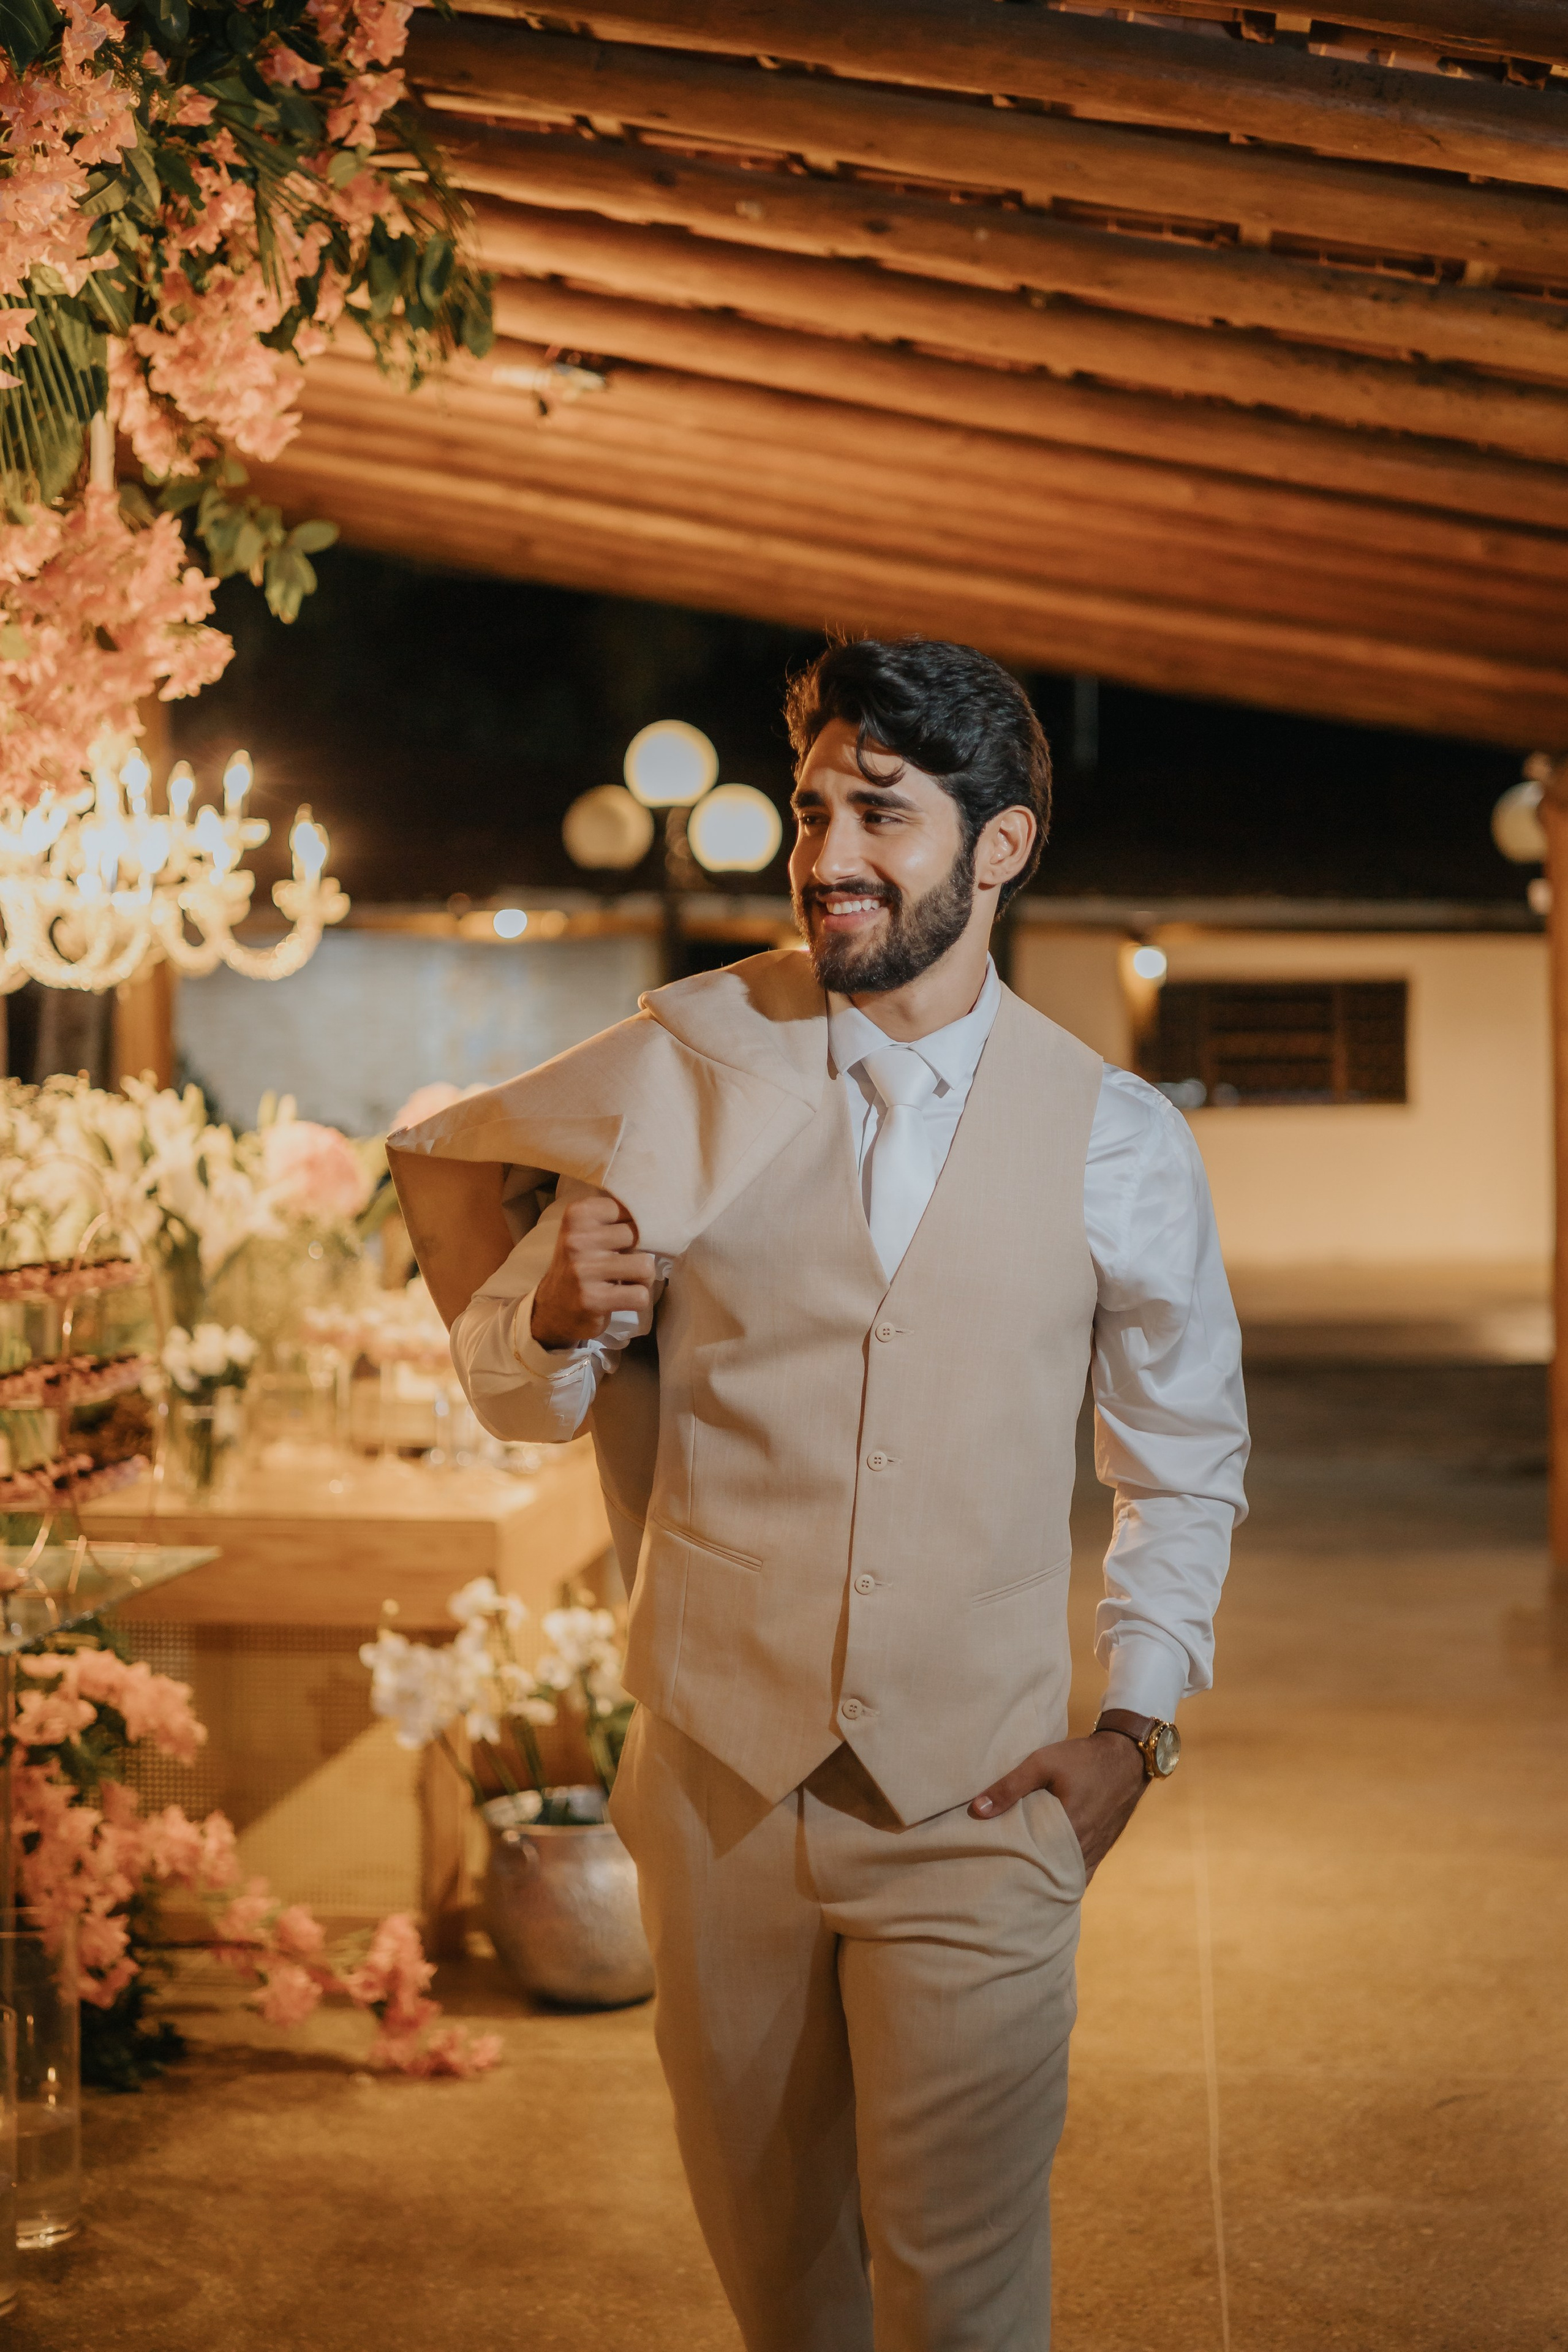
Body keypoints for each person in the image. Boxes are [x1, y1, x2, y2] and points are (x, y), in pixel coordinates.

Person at [388, 636, 1249, 2352]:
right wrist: (548, 1320)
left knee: (967, 2304)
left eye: (882, 814)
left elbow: (1183, 1453)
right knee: (786, 2298)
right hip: (717, 1799)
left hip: (977, 1801)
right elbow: (490, 1315)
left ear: (1001, 846)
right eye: (809, 811)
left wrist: (1135, 1728)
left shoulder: (1117, 1138)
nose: (828, 856)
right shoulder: (685, 1062)